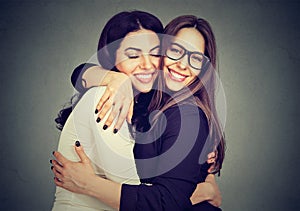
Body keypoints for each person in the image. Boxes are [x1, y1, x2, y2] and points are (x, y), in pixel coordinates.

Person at [52, 11, 222, 211]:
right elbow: (79, 73)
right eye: (175, 51)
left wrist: (89, 184)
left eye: (196, 58)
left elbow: (166, 200)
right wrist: (114, 78)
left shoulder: (187, 114)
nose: (182, 65)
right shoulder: (140, 100)